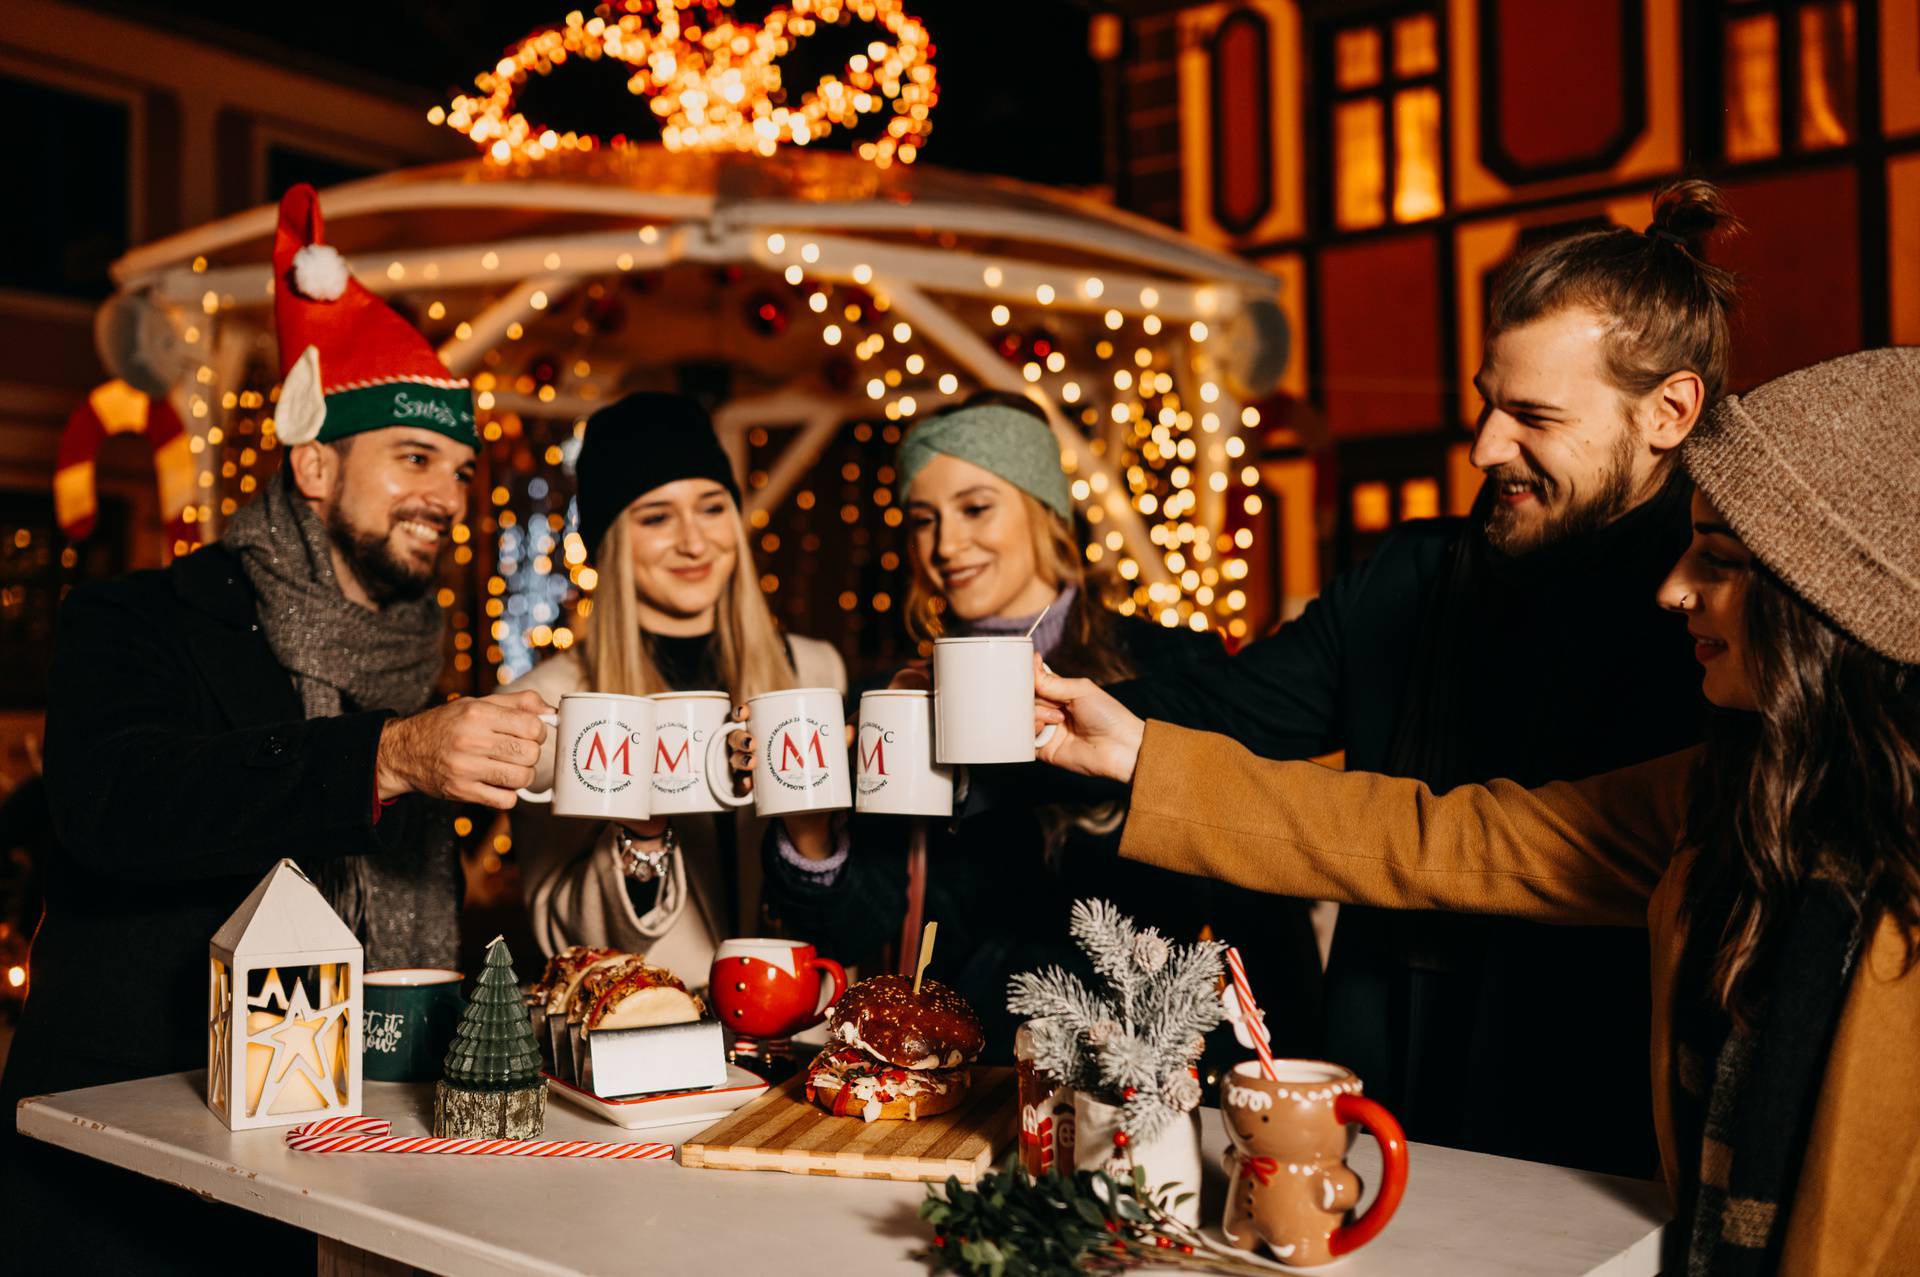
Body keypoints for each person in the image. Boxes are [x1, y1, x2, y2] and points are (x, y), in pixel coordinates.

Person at [1034, 345, 1920, 1276]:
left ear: (1833, 601)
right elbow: (1439, 838)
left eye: (1722, 560)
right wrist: (1140, 755)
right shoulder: (1729, 794)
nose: (1673, 589)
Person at [1096, 181, 1741, 1175]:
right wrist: (1040, 716)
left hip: (1615, 1139)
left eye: (1534, 416)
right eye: (1489, 404)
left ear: (1669, 410)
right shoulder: (1413, 577)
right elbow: (1222, 714)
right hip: (1391, 1100)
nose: (1485, 447)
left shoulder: (1726, 620)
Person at [1, 185, 550, 1269]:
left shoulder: (422, 661)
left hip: (354, 1167)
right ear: (312, 464)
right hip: (134, 1184)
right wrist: (387, 757)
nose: (448, 494)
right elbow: (120, 806)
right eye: (412, 457)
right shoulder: (143, 615)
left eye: (458, 469)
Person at [759, 395, 1319, 1059]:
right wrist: (809, 824)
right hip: (969, 1070)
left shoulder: (1170, 663)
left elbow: (1250, 886)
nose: (945, 544)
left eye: (975, 507)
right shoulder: (900, 698)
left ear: (1041, 505)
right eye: (922, 519)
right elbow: (855, 929)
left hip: (1145, 1069)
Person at [505, 392, 845, 977]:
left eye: (712, 508)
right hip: (652, 1037)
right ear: (610, 540)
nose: (694, 541)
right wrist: (640, 834)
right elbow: (555, 932)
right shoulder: (553, 699)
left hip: (805, 1033)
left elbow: (852, 906)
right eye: (656, 517)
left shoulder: (815, 672)